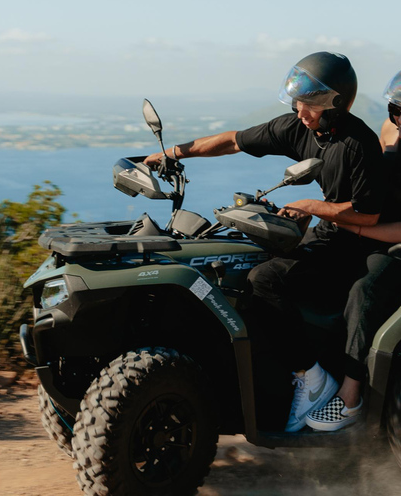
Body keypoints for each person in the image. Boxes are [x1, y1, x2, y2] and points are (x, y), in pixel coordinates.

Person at [142, 52, 387, 432]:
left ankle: (312, 377)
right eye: (297, 101)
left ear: (334, 105)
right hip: (326, 232)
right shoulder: (299, 128)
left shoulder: (359, 146)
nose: (299, 110)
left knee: (265, 279)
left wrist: (312, 207)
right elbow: (233, 141)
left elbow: (368, 215)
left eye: (308, 104)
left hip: (354, 244)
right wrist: (173, 153)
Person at [304, 62, 401, 432]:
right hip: (377, 224)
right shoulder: (389, 128)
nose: (400, 119)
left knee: (365, 289)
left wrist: (356, 230)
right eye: (395, 109)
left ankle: (350, 397)